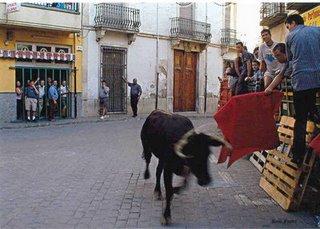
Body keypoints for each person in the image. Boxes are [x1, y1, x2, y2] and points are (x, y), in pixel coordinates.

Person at [265, 14, 320, 166]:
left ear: (293, 23)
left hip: (301, 81)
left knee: (301, 119)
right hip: (318, 78)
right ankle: (315, 115)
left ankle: (297, 156)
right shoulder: (317, 31)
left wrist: (269, 88)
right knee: (312, 108)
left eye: (288, 26)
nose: (288, 30)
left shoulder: (291, 37)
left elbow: (289, 61)